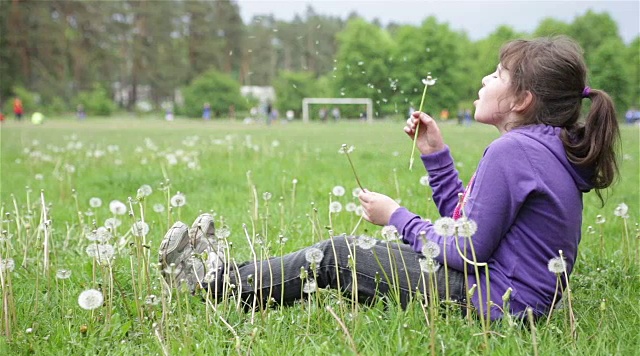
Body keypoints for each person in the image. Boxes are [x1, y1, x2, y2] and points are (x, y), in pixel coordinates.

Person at [158, 37, 619, 321]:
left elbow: (466, 250)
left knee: (339, 254)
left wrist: (396, 217)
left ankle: (210, 284)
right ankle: (233, 278)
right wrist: (436, 156)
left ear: (522, 100)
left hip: (495, 307)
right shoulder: (543, 148)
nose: (484, 79)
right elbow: (466, 229)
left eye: (496, 74)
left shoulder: (513, 151)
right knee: (378, 257)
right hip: (510, 301)